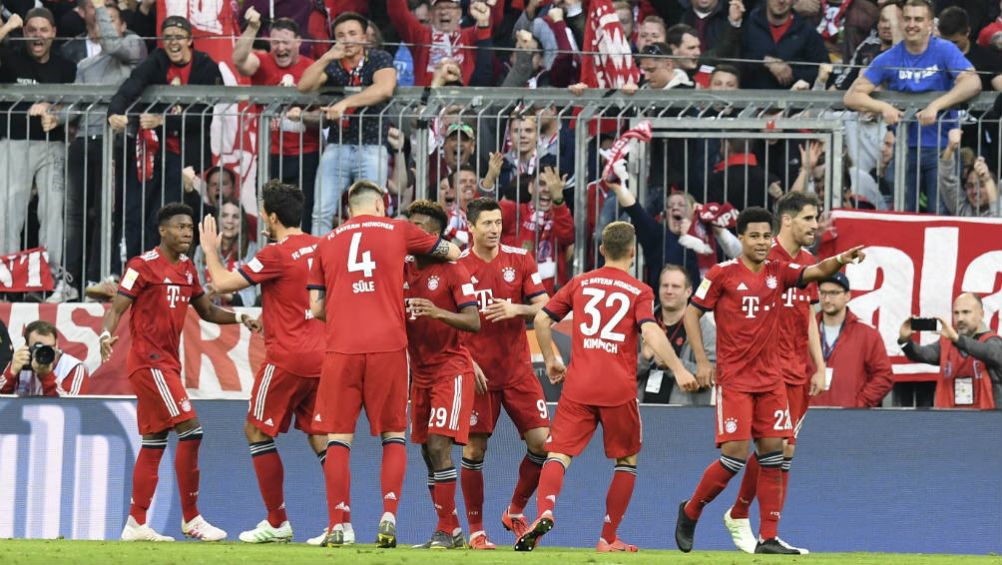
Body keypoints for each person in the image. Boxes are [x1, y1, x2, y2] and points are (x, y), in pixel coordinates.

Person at [674, 206, 867, 555]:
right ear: (741, 238)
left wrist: (841, 259)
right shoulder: (721, 274)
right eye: (755, 236)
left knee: (774, 456)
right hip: (734, 380)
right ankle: (691, 510)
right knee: (734, 458)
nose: (762, 242)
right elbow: (691, 312)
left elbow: (816, 270)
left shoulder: (779, 272)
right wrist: (702, 361)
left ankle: (768, 537)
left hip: (771, 381)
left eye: (766, 236)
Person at [515, 222, 698, 553]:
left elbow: (542, 320)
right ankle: (607, 537)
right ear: (632, 252)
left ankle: (545, 511)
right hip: (618, 389)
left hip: (579, 386)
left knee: (558, 454)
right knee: (626, 461)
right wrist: (679, 367)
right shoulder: (639, 290)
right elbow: (652, 332)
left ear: (601, 250)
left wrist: (552, 360)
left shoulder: (580, 282)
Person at [307, 180, 460, 548]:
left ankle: (339, 524)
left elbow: (315, 308)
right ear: (379, 205)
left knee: (338, 438)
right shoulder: (398, 229)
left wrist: (347, 311)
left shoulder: (325, 242)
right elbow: (452, 252)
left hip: (342, 348)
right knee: (393, 435)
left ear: (349, 209)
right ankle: (388, 515)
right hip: (389, 348)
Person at [99, 202, 260, 542]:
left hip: (167, 362)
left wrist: (239, 318)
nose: (187, 232)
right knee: (191, 430)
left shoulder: (188, 269)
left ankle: (136, 523)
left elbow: (206, 311)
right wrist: (104, 333)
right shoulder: (143, 265)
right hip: (149, 361)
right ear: (163, 230)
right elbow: (117, 307)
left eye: (190, 227)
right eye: (180, 227)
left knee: (154, 441)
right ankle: (192, 518)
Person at [196, 181, 333, 544]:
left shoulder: (275, 253)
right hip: (324, 356)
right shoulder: (323, 247)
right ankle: (340, 524)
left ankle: (277, 522)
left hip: (288, 356)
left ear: (272, 217)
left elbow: (223, 283)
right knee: (322, 437)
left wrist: (210, 250)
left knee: (256, 430)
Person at [723, 191, 826, 555]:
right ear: (788, 220)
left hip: (798, 370)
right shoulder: (765, 259)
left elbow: (810, 316)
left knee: (785, 453)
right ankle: (742, 515)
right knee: (775, 448)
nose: (816, 225)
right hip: (766, 370)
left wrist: (820, 364)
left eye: (816, 218)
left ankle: (757, 525)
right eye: (810, 218)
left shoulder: (809, 263)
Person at [456, 197, 551, 550]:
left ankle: (515, 511)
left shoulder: (520, 260)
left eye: (498, 223)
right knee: (475, 450)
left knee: (543, 443)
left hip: (517, 371)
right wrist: (466, 359)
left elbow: (545, 307)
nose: (494, 229)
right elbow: (447, 325)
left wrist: (516, 308)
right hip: (478, 372)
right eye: (487, 224)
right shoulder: (458, 266)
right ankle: (477, 531)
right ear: (471, 227)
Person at [843, 0, 981, 213]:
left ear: (929, 24)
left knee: (940, 216)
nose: (912, 24)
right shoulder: (890, 56)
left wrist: (936, 105)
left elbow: (973, 82)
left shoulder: (944, 50)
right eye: (907, 19)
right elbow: (852, 96)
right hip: (905, 148)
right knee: (903, 214)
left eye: (918, 19)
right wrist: (883, 107)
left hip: (942, 148)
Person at [107, 15, 223, 258]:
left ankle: (163, 271)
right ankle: (132, 269)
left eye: (178, 37)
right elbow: (132, 85)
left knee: (167, 216)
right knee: (135, 212)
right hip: (153, 155)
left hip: (185, 160)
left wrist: (163, 120)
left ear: (190, 40)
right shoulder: (157, 61)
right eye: (167, 37)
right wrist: (114, 112)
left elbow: (202, 115)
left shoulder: (205, 66)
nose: (173, 43)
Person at [402, 200, 480, 550]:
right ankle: (451, 528)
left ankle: (446, 530)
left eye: (417, 226)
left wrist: (437, 311)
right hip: (419, 376)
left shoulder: (453, 270)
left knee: (438, 446)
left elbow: (474, 321)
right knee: (426, 453)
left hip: (451, 371)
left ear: (433, 236)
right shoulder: (400, 269)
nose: (409, 232)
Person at [56, 0, 146, 303]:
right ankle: (70, 281)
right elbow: (75, 106)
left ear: (121, 26)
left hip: (117, 140)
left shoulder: (133, 46)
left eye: (112, 20)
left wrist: (99, 9)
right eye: (101, 19)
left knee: (109, 210)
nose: (105, 23)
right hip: (85, 141)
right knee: (76, 215)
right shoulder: (84, 65)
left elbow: (112, 44)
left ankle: (103, 276)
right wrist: (51, 113)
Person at [297, 12, 397, 235]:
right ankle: (319, 264)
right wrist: (325, 58)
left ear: (364, 37)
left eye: (352, 33)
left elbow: (385, 88)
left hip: (371, 145)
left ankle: (369, 261)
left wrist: (345, 103)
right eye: (340, 35)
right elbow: (304, 86)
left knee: (371, 213)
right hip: (337, 145)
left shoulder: (379, 58)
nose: (347, 39)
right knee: (321, 211)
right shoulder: (332, 65)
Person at [0, 8, 76, 294]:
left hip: (52, 145)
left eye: (43, 30)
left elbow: (76, 103)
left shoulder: (66, 66)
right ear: (24, 33)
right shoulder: (11, 59)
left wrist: (57, 112)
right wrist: (7, 28)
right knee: (9, 212)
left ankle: (51, 280)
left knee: (52, 211)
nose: (37, 36)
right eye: (31, 30)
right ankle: (6, 280)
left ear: (54, 33)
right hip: (14, 143)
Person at [234, 9, 320, 233]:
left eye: (285, 42)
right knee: (269, 216)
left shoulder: (311, 68)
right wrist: (252, 28)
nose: (280, 48)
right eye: (275, 42)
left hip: (306, 154)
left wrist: (302, 115)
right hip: (271, 154)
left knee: (303, 217)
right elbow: (239, 59)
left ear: (299, 42)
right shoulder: (262, 63)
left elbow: (323, 114)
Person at [898, 293, 1002, 410]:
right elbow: (923, 354)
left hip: (988, 423)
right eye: (956, 313)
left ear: (981, 315)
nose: (960, 318)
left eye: (966, 312)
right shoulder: (947, 342)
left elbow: (987, 352)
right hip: (950, 421)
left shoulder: (994, 342)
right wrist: (905, 340)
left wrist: (956, 338)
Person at [811, 273, 894, 408]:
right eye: (823, 293)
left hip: (851, 418)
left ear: (847, 296)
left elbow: (884, 376)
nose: (826, 299)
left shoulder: (867, 334)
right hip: (809, 415)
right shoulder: (803, 331)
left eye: (833, 293)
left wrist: (859, 404)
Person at [638, 264, 716, 406]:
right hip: (641, 411)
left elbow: (712, 376)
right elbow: (621, 374)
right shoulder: (644, 324)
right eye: (665, 285)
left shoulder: (705, 329)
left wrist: (671, 364)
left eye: (675, 286)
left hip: (683, 417)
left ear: (688, 291)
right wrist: (643, 359)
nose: (669, 291)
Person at [739, 0, 827, 90]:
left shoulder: (807, 31)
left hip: (793, 99)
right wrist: (764, 61)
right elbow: (735, 59)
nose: (781, 1)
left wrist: (792, 72)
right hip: (751, 99)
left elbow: (823, 68)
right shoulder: (749, 24)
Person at [193, 199, 259, 307]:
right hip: (207, 315)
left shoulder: (253, 250)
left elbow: (253, 294)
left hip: (242, 316)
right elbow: (197, 287)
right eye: (224, 215)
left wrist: (229, 296)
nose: (229, 221)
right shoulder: (201, 250)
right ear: (217, 220)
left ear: (242, 222)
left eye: (235, 217)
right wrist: (208, 292)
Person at [0, 320, 89, 396]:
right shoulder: (21, 360)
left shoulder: (73, 367)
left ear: (57, 344)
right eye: (38, 348)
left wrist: (46, 376)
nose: (44, 352)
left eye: (49, 347)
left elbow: (72, 407)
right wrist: (11, 373)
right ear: (27, 346)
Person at [938, 128, 1000, 217]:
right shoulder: (964, 211)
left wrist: (987, 180)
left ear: (996, 187)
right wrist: (950, 148)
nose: (975, 191)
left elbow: (997, 218)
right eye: (970, 186)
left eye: (981, 185)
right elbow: (947, 181)